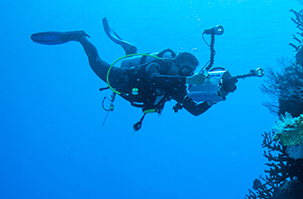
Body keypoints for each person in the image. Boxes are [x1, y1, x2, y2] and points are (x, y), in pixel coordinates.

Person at [31, 19, 237, 129]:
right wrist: (186, 78)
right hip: (121, 79)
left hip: (133, 91)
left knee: (130, 54)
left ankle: (130, 49)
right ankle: (80, 37)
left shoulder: (176, 88)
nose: (187, 72)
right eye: (184, 67)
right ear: (176, 62)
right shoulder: (162, 65)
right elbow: (152, 77)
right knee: (95, 61)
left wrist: (216, 98)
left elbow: (195, 111)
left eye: (190, 71)